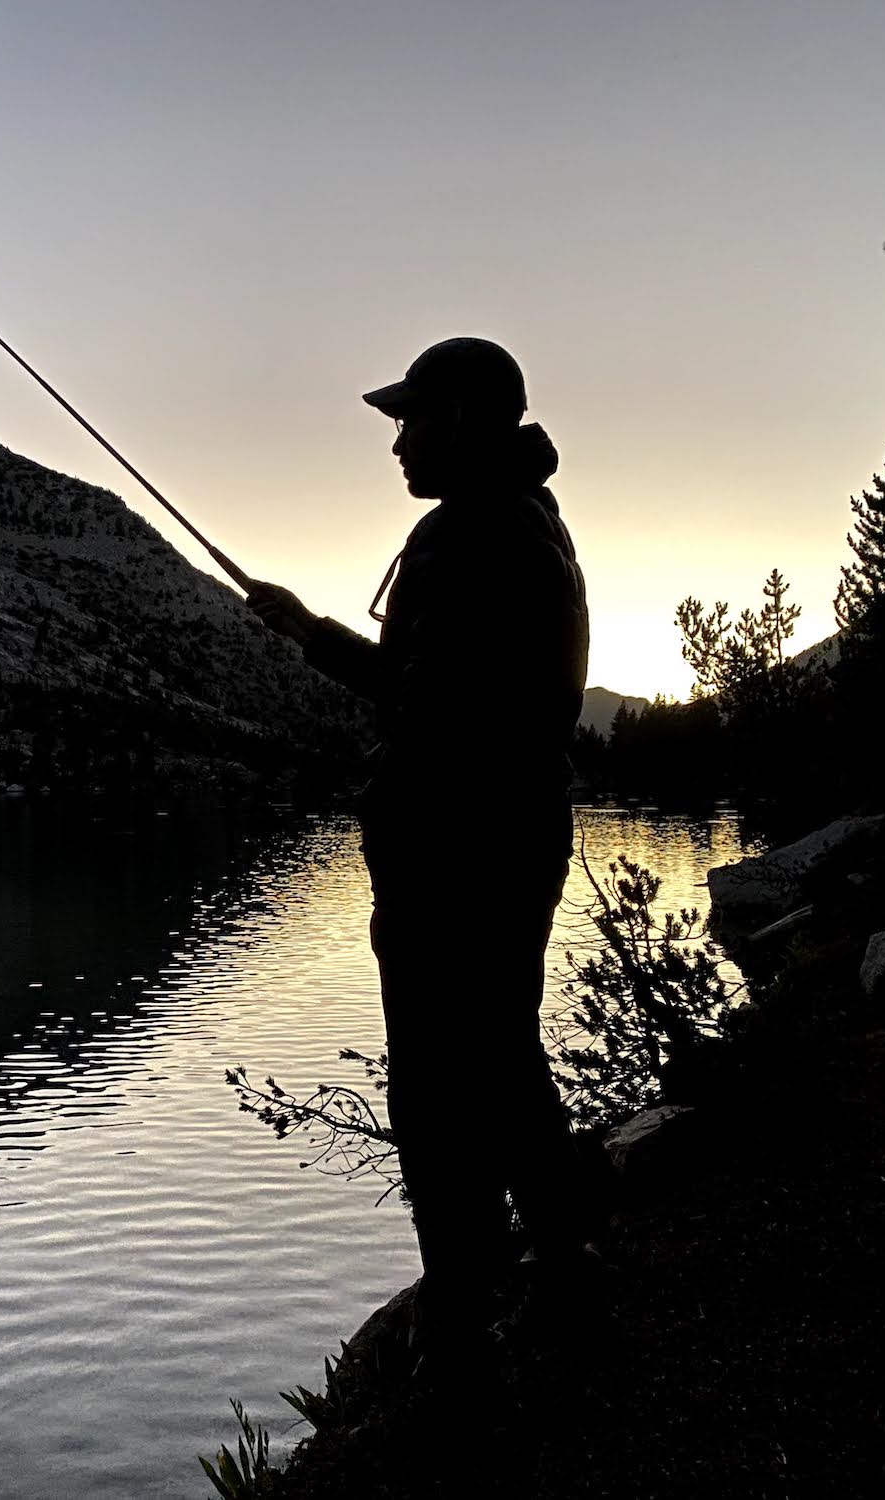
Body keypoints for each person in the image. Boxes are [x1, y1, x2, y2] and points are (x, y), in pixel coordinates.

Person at [248, 336, 594, 1347]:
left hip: (456, 856)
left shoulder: (478, 534)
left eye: (412, 418)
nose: (396, 442)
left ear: (464, 421)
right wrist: (308, 632)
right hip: (501, 840)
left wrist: (382, 798)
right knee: (497, 1061)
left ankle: (465, 1318)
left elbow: (438, 717)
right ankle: (560, 1270)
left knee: (439, 1095)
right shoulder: (510, 522)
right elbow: (431, 685)